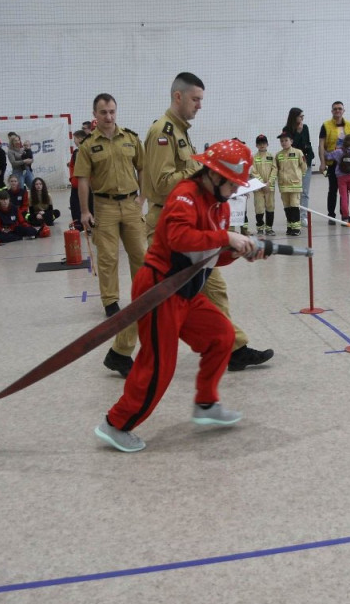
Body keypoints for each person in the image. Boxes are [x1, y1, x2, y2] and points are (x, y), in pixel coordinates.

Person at [94, 139, 268, 453]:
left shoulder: (221, 205)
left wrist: (239, 252)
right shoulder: (184, 195)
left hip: (187, 292)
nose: (235, 191)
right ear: (215, 176)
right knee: (159, 365)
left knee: (222, 336)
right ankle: (116, 424)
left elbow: (211, 254)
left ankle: (205, 403)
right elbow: (179, 238)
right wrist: (227, 237)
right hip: (160, 289)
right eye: (232, 184)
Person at [142, 72, 272, 372]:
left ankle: (232, 348)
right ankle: (121, 350)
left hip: (192, 219)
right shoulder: (163, 133)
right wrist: (206, 172)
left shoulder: (180, 131)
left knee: (213, 288)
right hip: (170, 224)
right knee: (155, 298)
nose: (199, 105)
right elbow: (162, 183)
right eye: (195, 99)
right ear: (178, 96)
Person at [76, 92, 147, 326]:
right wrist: (85, 212)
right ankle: (110, 301)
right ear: (95, 114)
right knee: (108, 257)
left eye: (112, 111)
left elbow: (143, 168)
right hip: (104, 206)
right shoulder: (88, 145)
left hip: (131, 204)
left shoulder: (131, 138)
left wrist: (142, 198)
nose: (109, 116)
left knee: (139, 253)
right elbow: (83, 179)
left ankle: (142, 297)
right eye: (104, 112)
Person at [318, 101, 350, 223]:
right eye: (335, 109)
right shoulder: (326, 125)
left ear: (343, 111)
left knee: (345, 192)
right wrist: (322, 162)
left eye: (340, 108)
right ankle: (331, 216)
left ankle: (344, 216)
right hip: (331, 163)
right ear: (332, 111)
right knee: (333, 188)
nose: (337, 111)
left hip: (345, 163)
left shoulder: (349, 125)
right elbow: (321, 145)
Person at [282, 107, 315, 225]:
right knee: (294, 191)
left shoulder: (305, 127)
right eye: (300, 116)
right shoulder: (287, 130)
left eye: (303, 116)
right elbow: (290, 146)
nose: (302, 118)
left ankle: (303, 216)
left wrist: (310, 156)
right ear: (294, 117)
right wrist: (298, 132)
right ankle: (293, 216)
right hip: (292, 165)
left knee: (304, 192)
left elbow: (307, 144)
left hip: (305, 162)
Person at [275, 131, 308, 234]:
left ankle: (296, 228)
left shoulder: (298, 152)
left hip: (295, 185)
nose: (284, 142)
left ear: (291, 141)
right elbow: (277, 168)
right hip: (283, 186)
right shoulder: (278, 155)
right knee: (287, 206)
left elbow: (304, 167)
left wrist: (298, 177)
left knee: (294, 205)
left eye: (286, 140)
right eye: (282, 141)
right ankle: (290, 227)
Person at [325, 133, 350, 224]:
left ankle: (345, 218)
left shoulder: (338, 152)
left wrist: (323, 149)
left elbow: (328, 156)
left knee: (344, 197)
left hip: (341, 177)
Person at [249, 134, 277, 235]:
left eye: (264, 143)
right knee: (259, 207)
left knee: (270, 206)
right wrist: (262, 184)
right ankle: (260, 227)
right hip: (258, 188)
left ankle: (269, 228)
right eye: (259, 144)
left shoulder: (271, 156)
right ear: (256, 145)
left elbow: (274, 169)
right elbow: (253, 171)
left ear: (267, 144)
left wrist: (269, 183)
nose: (262, 145)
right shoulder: (253, 157)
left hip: (269, 187)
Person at [67, 130, 89, 229]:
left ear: (80, 139)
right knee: (74, 204)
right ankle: (78, 225)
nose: (74, 141)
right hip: (76, 184)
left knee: (86, 204)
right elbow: (72, 165)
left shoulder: (85, 151)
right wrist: (71, 179)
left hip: (85, 184)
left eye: (75, 139)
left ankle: (87, 225)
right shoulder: (76, 152)